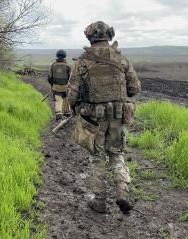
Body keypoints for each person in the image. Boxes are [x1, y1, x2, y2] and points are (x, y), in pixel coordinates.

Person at [67, 21, 141, 213]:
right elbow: (135, 88)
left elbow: (72, 95)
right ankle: (122, 192)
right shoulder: (121, 58)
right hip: (117, 116)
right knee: (116, 154)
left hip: (93, 120)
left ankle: (100, 201)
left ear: (90, 37)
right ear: (109, 35)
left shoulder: (82, 61)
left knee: (97, 157)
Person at [48, 49, 71, 120]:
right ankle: (67, 113)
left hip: (56, 87)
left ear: (57, 56)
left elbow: (49, 77)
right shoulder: (68, 66)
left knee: (58, 100)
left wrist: (52, 85)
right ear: (65, 56)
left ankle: (59, 114)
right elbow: (71, 78)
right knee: (67, 99)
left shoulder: (53, 65)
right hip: (66, 87)